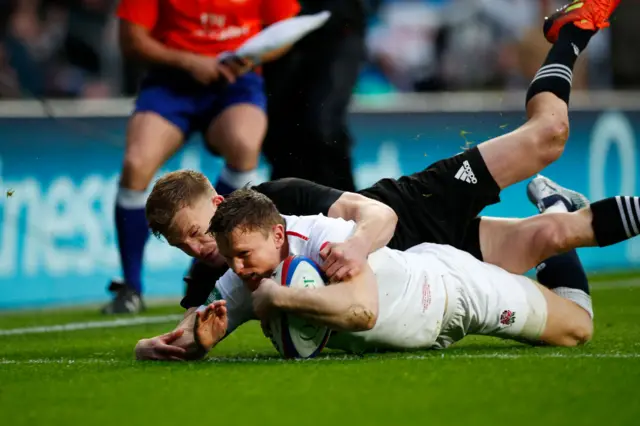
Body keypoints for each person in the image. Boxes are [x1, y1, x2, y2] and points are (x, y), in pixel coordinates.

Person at [135, 0, 622, 358]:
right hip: (420, 270)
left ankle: (571, 33)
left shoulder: (275, 204)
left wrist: (356, 248)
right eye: (186, 246)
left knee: (548, 135)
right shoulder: (229, 274)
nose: (199, 249)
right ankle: (555, 205)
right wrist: (158, 343)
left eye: (199, 232)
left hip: (415, 212)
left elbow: (375, 214)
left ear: (220, 202)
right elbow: (207, 320)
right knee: (557, 235)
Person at [174, 183, 639, 358]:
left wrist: (279, 299)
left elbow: (362, 311)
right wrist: (184, 342)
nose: (236, 269)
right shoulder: (245, 267)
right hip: (423, 323)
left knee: (578, 329)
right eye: (229, 258)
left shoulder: (324, 236)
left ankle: (556, 207)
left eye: (243, 257)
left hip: (454, 293)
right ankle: (554, 216)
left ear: (277, 237)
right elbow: (193, 328)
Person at [104, 0, 301, 314]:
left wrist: (248, 61)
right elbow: (132, 40)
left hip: (235, 82)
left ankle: (211, 267)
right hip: (170, 83)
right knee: (135, 164)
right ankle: (131, 287)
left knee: (244, 145)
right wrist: (190, 61)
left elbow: (285, 31)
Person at [262, 0, 374, 191]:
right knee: (279, 130)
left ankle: (345, 202)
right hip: (278, 30)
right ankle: (288, 205)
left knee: (322, 123)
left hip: (337, 28)